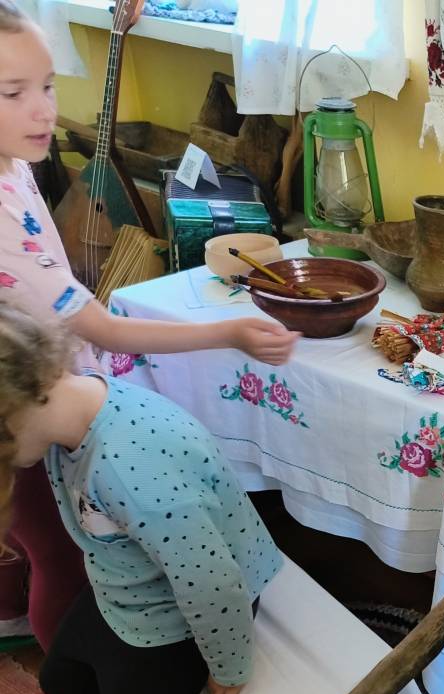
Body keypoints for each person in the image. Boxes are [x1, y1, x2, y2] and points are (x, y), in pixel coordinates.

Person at [0, 0, 298, 651]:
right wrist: (229, 332)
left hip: (38, 395)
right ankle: (72, 673)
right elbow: (105, 329)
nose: (44, 111)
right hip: (27, 415)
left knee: (46, 542)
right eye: (13, 93)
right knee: (62, 559)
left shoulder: (13, 165)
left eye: (47, 86)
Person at [0, 307, 283, 694]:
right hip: (129, 587)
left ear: (20, 405)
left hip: (187, 613)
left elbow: (212, 584)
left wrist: (229, 665)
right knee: (64, 682)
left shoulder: (133, 467)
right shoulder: (69, 414)